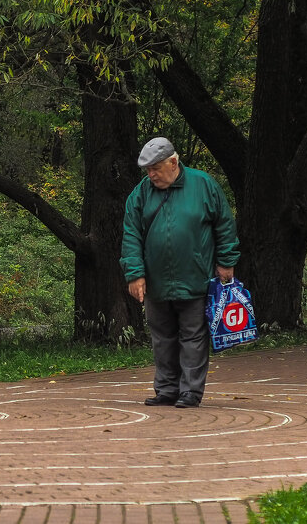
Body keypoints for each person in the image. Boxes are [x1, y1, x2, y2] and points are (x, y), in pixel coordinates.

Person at [120, 137, 240, 409]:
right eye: (147, 170)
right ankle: (166, 389)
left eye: (156, 168)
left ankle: (190, 392)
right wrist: (134, 273)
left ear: (174, 162)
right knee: (162, 337)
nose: (151, 175)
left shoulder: (203, 185)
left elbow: (224, 225)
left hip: (195, 278)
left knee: (193, 336)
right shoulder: (140, 194)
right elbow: (131, 235)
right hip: (157, 281)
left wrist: (226, 261)